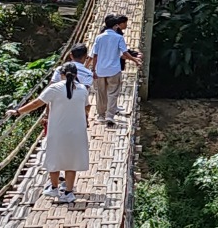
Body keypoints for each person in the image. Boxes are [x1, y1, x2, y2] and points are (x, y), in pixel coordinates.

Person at [13, 62, 90, 202]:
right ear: (76, 75)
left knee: (54, 157)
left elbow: (37, 103)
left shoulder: (54, 88)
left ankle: (54, 188)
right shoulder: (83, 89)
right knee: (71, 161)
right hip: (77, 131)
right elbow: (87, 107)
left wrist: (18, 111)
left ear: (61, 74)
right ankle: (68, 193)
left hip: (57, 130)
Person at [86, 14, 140, 126]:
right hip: (114, 70)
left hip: (100, 70)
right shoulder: (119, 38)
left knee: (100, 93)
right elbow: (125, 53)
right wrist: (135, 60)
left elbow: (95, 55)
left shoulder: (99, 37)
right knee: (113, 93)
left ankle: (101, 116)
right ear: (116, 26)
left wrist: (93, 70)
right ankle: (110, 116)